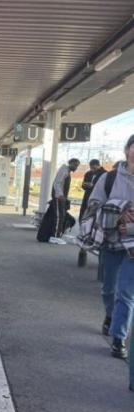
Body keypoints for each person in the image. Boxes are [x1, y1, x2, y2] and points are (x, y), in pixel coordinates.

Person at [89, 135, 134, 361]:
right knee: (109, 289)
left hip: (133, 247)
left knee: (126, 292)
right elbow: (93, 205)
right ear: (127, 150)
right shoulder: (109, 178)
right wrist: (118, 212)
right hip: (110, 240)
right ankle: (110, 315)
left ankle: (118, 339)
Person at [38, 158, 80, 244]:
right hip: (59, 197)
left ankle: (51, 235)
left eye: (77, 166)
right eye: (75, 165)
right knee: (59, 217)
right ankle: (55, 236)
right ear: (70, 163)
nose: (76, 167)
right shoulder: (64, 170)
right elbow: (57, 183)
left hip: (60, 197)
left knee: (55, 216)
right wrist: (60, 194)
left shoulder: (66, 171)